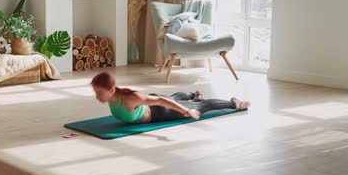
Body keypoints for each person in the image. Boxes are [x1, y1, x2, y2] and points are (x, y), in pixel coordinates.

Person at [91, 71, 250, 123]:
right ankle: (193, 95)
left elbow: (161, 101)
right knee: (174, 97)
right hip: (151, 102)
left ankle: (234, 103)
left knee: (201, 106)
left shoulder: (130, 98)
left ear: (111, 90)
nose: (97, 97)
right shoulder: (113, 95)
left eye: (99, 93)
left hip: (160, 111)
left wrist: (188, 111)